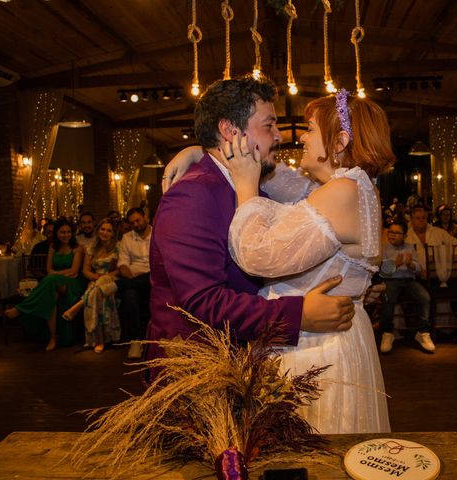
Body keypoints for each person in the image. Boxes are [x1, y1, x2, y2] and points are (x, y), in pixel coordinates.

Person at [149, 76, 355, 387]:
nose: (279, 136)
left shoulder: (257, 192)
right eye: (269, 125)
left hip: (242, 368)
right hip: (194, 376)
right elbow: (204, 301)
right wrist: (299, 315)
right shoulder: (190, 196)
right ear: (231, 132)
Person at [4, 218, 86, 351]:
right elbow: (48, 269)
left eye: (68, 232)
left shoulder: (77, 248)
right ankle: (53, 337)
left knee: (50, 280)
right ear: (56, 234)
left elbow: (74, 271)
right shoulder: (53, 247)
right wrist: (56, 274)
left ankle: (20, 308)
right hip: (56, 282)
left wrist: (55, 274)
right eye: (62, 232)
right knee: (50, 294)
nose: (66, 235)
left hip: (73, 284)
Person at [62, 219, 120, 353]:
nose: (105, 233)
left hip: (111, 280)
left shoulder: (117, 248)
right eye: (102, 229)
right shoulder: (91, 248)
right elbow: (85, 270)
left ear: (113, 234)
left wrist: (105, 276)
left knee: (100, 288)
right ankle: (98, 339)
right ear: (98, 230)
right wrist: (95, 277)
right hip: (95, 281)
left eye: (108, 230)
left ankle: (79, 305)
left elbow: (118, 270)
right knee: (96, 294)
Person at [378, 220, 434, 354]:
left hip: (409, 280)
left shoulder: (409, 247)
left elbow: (418, 267)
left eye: (397, 233)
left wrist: (411, 265)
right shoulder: (383, 248)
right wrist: (395, 265)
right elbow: (380, 271)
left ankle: (423, 333)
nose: (392, 235)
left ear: (404, 235)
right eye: (391, 232)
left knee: (424, 297)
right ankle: (387, 333)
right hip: (391, 280)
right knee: (388, 298)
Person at [117, 207, 151, 358]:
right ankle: (136, 342)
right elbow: (123, 264)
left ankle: (116, 286)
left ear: (145, 218)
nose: (136, 224)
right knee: (130, 294)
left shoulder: (158, 234)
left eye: (138, 220)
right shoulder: (127, 238)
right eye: (132, 223)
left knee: (150, 276)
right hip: (134, 280)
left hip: (154, 279)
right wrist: (131, 279)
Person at [406, 205, 457, 270]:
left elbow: (456, 244)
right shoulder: (406, 237)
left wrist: (447, 259)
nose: (421, 220)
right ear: (412, 220)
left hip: (438, 273)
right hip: (414, 275)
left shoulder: (438, 232)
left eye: (424, 218)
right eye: (418, 218)